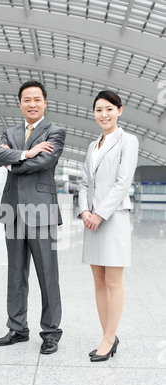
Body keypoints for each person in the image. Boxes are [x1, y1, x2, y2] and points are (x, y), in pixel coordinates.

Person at [0, 81, 66, 355]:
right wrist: (26, 153)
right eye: (26, 99)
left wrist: (12, 163)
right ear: (20, 103)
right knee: (15, 273)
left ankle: (50, 331)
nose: (32, 104)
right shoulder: (9, 131)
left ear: (45, 102)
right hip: (12, 211)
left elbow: (44, 162)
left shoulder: (55, 131)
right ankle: (17, 328)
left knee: (47, 273)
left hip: (42, 211)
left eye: (37, 99)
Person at [77, 90, 139, 362]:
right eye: (99, 110)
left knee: (114, 280)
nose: (104, 114)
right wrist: (84, 211)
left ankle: (108, 338)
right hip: (91, 220)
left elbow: (122, 183)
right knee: (98, 280)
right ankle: (108, 335)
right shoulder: (93, 146)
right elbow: (83, 183)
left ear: (120, 110)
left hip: (113, 218)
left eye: (109, 109)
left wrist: (99, 214)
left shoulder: (129, 141)